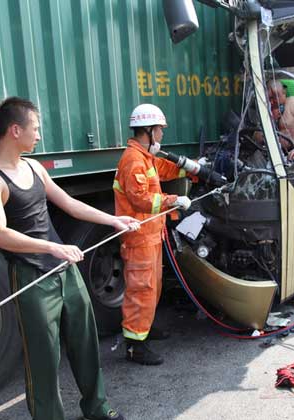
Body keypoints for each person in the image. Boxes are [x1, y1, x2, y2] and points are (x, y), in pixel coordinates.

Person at [0, 97, 138, 420]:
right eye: (35, 129)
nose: (39, 135)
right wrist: (51, 247)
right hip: (31, 275)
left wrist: (114, 220)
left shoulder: (34, 167)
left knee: (85, 342)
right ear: (15, 129)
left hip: (64, 269)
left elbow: (68, 203)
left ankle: (97, 407)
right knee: (43, 358)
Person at [113, 104, 191, 366]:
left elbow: (165, 170)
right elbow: (140, 200)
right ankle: (135, 345)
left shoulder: (145, 157)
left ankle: (144, 328)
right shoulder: (133, 160)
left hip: (150, 236)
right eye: (159, 130)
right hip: (138, 239)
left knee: (153, 287)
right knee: (141, 290)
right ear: (148, 130)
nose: (161, 134)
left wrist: (192, 168)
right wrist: (174, 200)